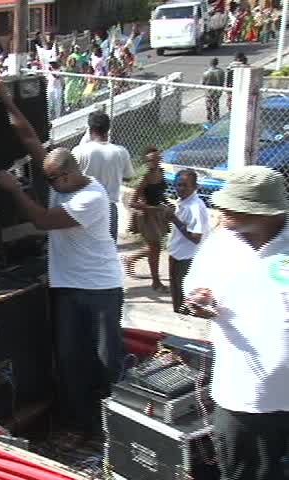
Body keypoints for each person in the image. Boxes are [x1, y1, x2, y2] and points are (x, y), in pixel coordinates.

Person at [0, 79, 124, 446]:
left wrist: (15, 189)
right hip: (67, 287)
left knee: (103, 361)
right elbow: (30, 138)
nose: (45, 185)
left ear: (67, 174)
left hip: (100, 289)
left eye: (50, 180)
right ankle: (80, 425)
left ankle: (111, 428)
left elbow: (43, 221)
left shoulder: (91, 198)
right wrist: (6, 100)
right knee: (68, 358)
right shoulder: (58, 180)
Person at [184, 166, 289, 480]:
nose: (220, 209)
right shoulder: (220, 243)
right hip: (242, 395)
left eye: (232, 205)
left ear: (265, 213)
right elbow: (194, 289)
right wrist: (198, 303)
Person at [71, 111, 135, 242]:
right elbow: (128, 177)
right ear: (108, 128)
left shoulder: (79, 151)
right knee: (108, 252)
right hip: (108, 207)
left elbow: (70, 179)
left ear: (90, 129)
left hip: (85, 207)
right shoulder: (121, 152)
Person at [124, 148, 169, 293]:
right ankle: (156, 282)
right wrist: (150, 209)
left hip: (158, 214)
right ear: (146, 162)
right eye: (150, 160)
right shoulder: (144, 178)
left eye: (156, 159)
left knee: (155, 247)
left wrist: (167, 203)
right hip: (146, 216)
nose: (153, 162)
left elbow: (160, 193)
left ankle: (131, 259)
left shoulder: (161, 173)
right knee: (155, 247)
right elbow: (132, 203)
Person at [164, 170, 209, 314]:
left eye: (185, 186)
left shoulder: (195, 206)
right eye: (178, 185)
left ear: (195, 187)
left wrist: (174, 219)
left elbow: (196, 238)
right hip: (177, 254)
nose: (180, 189)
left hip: (187, 258)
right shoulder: (183, 201)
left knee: (185, 298)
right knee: (177, 293)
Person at [203, 58, 226, 124]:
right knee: (216, 105)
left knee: (208, 106)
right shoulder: (221, 72)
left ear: (210, 64)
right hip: (217, 90)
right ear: (217, 63)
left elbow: (203, 83)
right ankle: (216, 118)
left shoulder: (206, 73)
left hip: (209, 91)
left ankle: (209, 119)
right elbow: (222, 81)